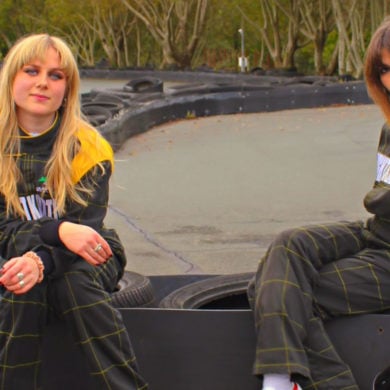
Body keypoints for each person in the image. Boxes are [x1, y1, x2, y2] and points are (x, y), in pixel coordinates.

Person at [247, 18, 390, 390]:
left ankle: (288, 381)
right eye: (385, 69)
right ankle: (281, 379)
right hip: (378, 235)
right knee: (289, 244)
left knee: (275, 288)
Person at [0, 33, 148, 389]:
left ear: (68, 87)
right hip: (12, 256)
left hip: (87, 252)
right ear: (11, 78)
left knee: (75, 279)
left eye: (56, 75)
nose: (42, 83)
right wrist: (56, 232)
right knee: (20, 285)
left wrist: (41, 261)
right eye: (31, 71)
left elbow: (86, 228)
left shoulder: (89, 147)